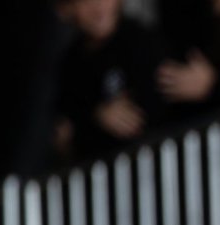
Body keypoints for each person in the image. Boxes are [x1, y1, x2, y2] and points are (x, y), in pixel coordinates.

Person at [54, 0, 165, 162]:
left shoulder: (143, 43)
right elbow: (65, 135)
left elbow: (146, 116)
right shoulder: (69, 65)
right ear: (66, 10)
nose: (97, 7)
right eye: (85, 2)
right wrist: (97, 118)